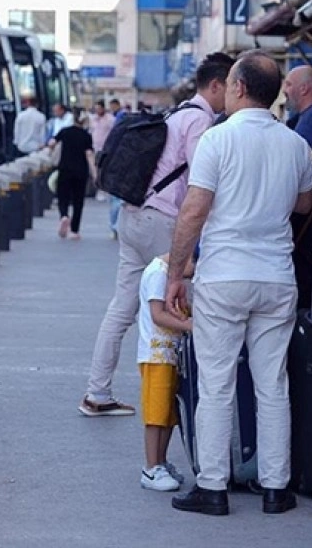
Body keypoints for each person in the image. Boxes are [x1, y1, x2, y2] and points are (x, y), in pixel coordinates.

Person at [166, 50, 312, 517]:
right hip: (275, 276)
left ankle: (212, 486)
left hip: (225, 275)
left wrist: (175, 271)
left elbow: (194, 210)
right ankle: (276, 487)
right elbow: (306, 204)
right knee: (273, 382)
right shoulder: (294, 143)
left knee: (216, 382)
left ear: (240, 88)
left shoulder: (218, 139)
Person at [78, 53, 231, 417]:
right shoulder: (199, 120)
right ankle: (181, 401)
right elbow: (203, 179)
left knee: (122, 308)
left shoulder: (175, 112)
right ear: (217, 85)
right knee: (180, 303)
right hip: (164, 223)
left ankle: (96, 393)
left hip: (133, 216)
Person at [137, 251, 193, 492]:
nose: (194, 275)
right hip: (155, 354)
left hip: (169, 354)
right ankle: (151, 467)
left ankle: (160, 461)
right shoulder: (158, 273)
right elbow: (157, 315)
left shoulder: (168, 275)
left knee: (169, 414)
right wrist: (190, 325)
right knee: (156, 414)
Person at [46, 121, 97, 239]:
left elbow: (51, 143)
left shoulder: (64, 131)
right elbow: (89, 155)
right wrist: (95, 174)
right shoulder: (86, 135)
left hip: (64, 169)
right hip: (81, 171)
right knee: (78, 201)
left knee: (62, 196)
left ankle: (64, 215)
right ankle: (74, 230)